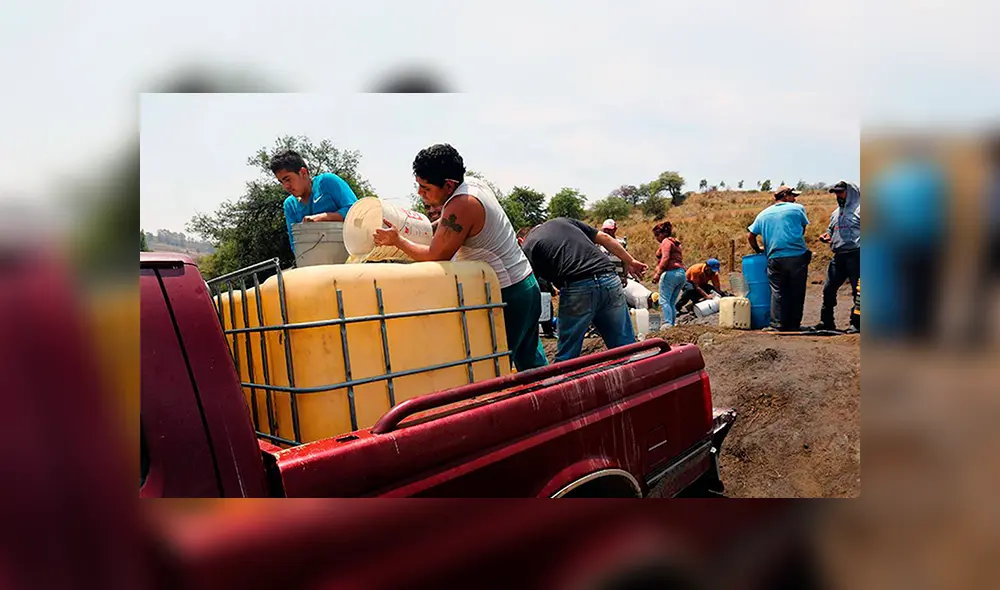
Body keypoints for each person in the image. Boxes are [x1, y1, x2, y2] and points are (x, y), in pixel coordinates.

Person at [372, 143, 548, 372]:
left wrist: (397, 241)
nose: (420, 193)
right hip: (525, 285)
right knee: (531, 364)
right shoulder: (472, 186)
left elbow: (435, 257)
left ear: (448, 185)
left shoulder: (462, 205)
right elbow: (448, 225)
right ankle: (553, 404)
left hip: (508, 295)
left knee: (494, 369)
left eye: (425, 187)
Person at [521, 217, 648, 362]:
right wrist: (631, 261)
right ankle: (635, 377)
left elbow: (530, 284)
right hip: (609, 279)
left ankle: (564, 381)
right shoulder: (564, 222)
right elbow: (605, 238)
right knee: (625, 347)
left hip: (577, 286)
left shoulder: (529, 245)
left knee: (568, 353)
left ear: (520, 240)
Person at [747, 185, 812, 332]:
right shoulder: (797, 209)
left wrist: (758, 249)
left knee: (777, 290)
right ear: (785, 196)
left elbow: (750, 235)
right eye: (793, 196)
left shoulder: (763, 214)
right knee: (797, 290)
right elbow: (802, 228)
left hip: (774, 257)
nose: (795, 199)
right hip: (796, 256)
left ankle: (777, 324)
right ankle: (794, 324)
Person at [271, 149, 359, 252]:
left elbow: (356, 213)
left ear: (303, 173)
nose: (286, 186)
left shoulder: (327, 182)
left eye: (288, 179)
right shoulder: (290, 205)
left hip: (350, 256)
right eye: (281, 182)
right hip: (316, 263)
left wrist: (323, 218)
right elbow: (295, 244)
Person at [813, 180, 861, 333]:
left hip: (858, 255)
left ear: (851, 192)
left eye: (840, 192)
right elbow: (831, 231)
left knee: (859, 292)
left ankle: (857, 324)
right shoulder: (835, 213)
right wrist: (826, 236)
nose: (838, 195)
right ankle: (826, 321)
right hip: (839, 256)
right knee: (828, 288)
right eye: (836, 192)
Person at [652, 221, 686, 327]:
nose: (656, 238)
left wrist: (658, 273)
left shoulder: (666, 242)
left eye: (657, 235)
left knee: (664, 300)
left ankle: (667, 323)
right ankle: (672, 323)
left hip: (671, 274)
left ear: (662, 234)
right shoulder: (675, 243)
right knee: (671, 301)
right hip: (681, 274)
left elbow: (665, 258)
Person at [598, 219, 629, 287]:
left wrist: (625, 276)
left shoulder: (621, 243)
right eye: (605, 229)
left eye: (609, 229)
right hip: (603, 277)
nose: (607, 231)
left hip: (618, 277)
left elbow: (625, 261)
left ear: (615, 229)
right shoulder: (598, 243)